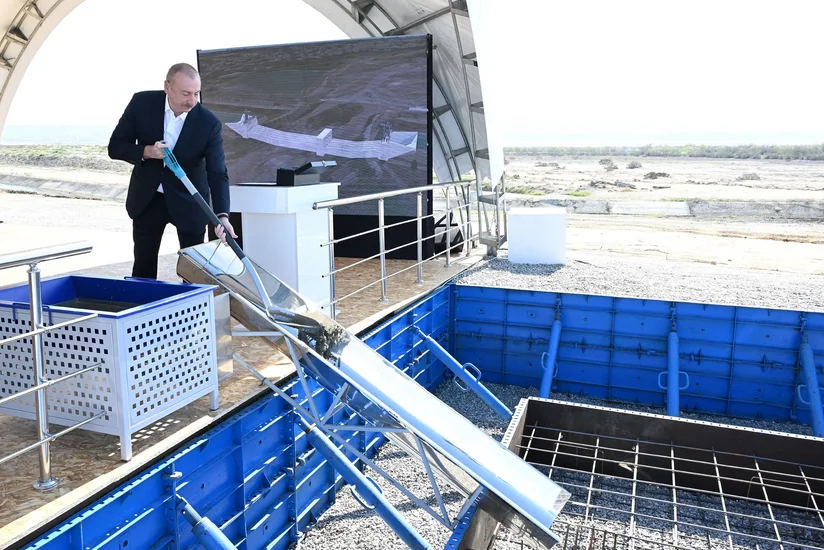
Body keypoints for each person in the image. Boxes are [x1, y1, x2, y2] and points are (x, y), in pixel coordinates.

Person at [108, 62, 236, 280]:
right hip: (148, 198)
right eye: (186, 93)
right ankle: (144, 310)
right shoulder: (141, 103)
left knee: (194, 271)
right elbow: (116, 147)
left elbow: (217, 172)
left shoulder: (209, 123)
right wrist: (148, 151)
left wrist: (222, 216)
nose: (192, 101)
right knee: (143, 267)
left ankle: (192, 312)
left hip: (190, 201)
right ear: (167, 86)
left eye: (196, 93)